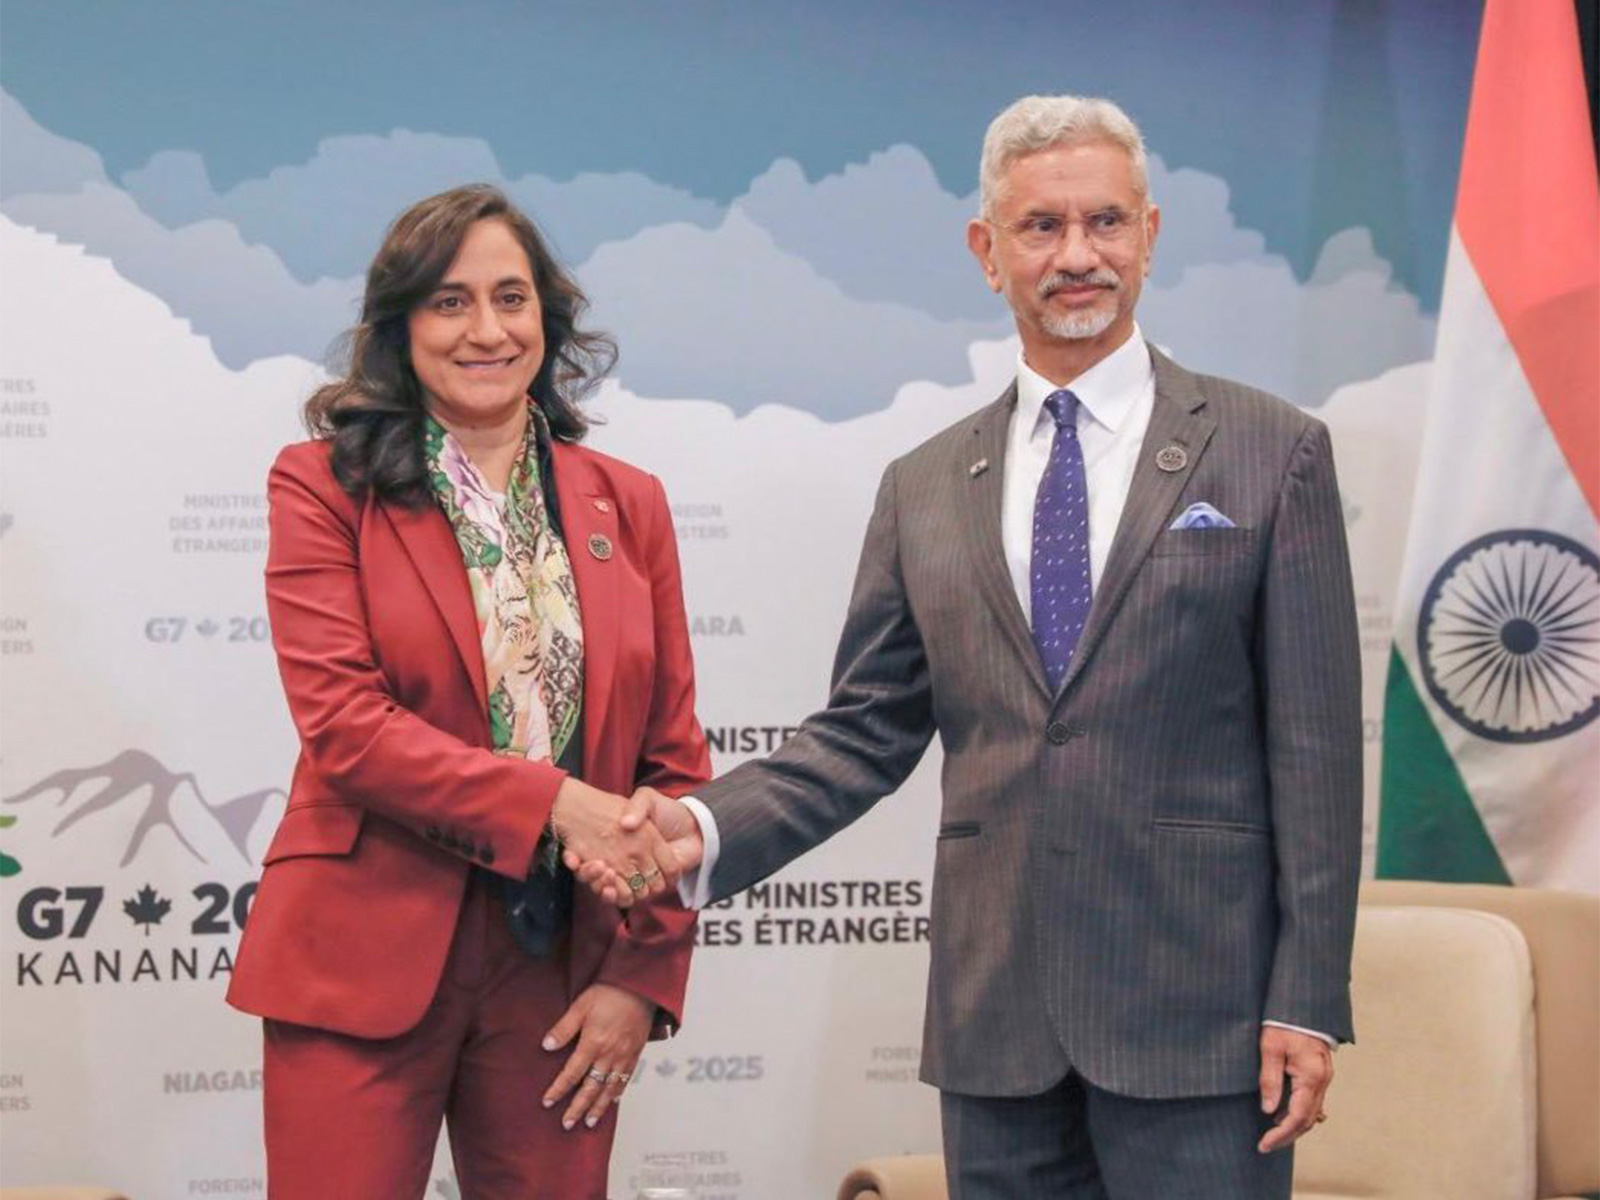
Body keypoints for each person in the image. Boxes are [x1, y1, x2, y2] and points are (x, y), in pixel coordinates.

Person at [581, 95, 1362, 1199]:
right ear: (986, 252)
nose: (1076, 255)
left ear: (1149, 233)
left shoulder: (1271, 452)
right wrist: (698, 826)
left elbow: (1319, 756)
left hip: (1204, 1028)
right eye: (1041, 227)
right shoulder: (924, 487)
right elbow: (861, 734)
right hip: (996, 1030)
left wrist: (1306, 998)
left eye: (1104, 222)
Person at [226, 184, 709, 1200]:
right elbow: (346, 731)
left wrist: (640, 974)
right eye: (449, 302)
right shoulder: (322, 485)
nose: (486, 330)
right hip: (363, 949)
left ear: (548, 317)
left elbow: (673, 768)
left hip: (564, 961)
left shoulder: (630, 501)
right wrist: (555, 803)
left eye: (510, 297)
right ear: (401, 326)